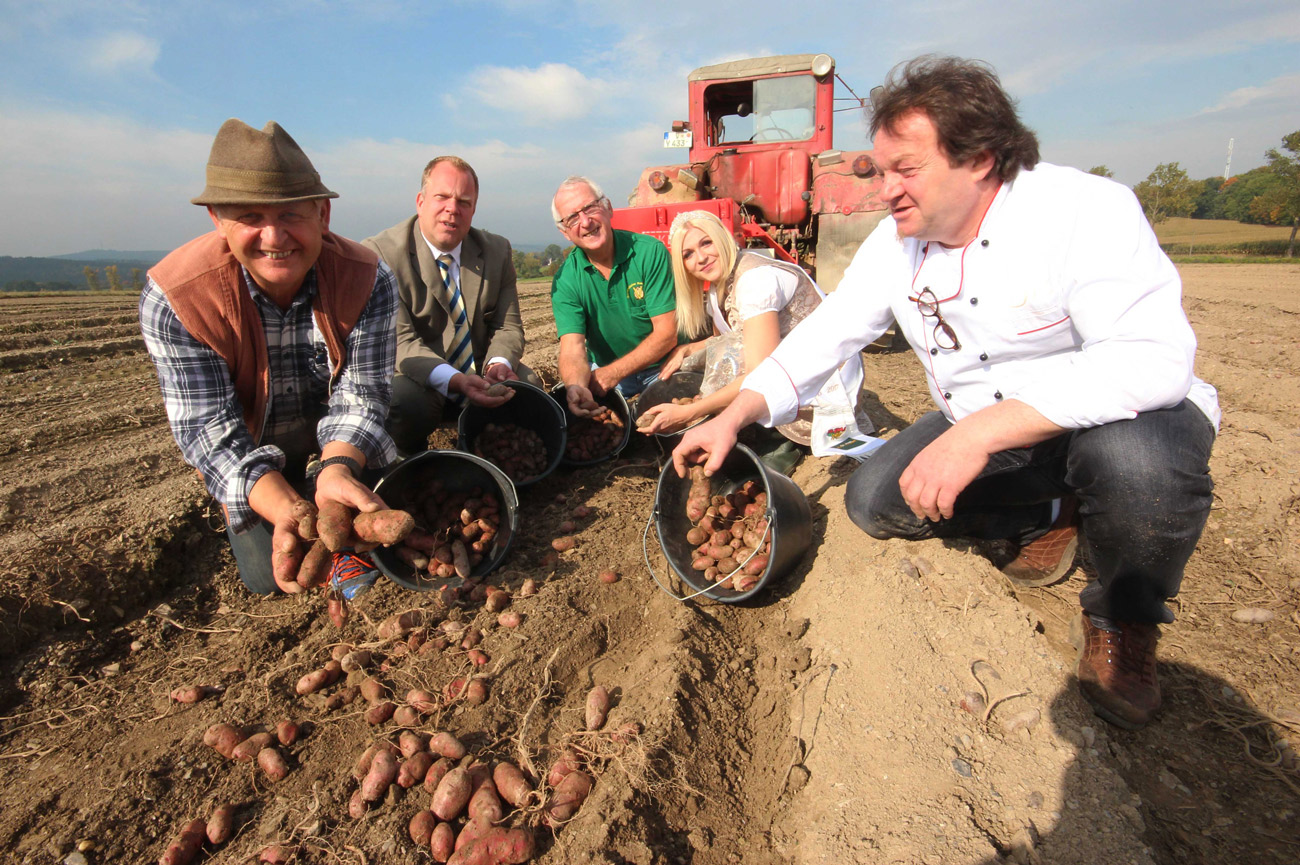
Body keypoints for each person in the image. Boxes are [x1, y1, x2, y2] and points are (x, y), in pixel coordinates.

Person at [674, 56, 1219, 731]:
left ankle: (1123, 619)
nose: (884, 191)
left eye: (907, 170)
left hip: (1114, 419)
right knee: (874, 502)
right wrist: (738, 413)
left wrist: (982, 434)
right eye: (880, 171)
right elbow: (829, 335)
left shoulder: (1082, 211)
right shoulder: (893, 246)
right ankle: (1044, 515)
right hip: (982, 422)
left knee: (1139, 469)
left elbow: (1152, 360)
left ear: (981, 159)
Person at [140, 118, 399, 597]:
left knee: (378, 507)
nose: (274, 236)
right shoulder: (177, 298)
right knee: (266, 579)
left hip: (332, 435)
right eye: (250, 217)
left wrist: (336, 471)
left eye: (292, 216)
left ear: (323, 215)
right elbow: (208, 430)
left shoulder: (367, 277)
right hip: (251, 442)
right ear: (218, 219)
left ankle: (340, 481)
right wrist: (287, 509)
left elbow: (361, 392)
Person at [638, 210, 874, 458]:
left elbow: (760, 376)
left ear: (722, 237)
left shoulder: (755, 280)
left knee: (729, 365)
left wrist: (691, 411)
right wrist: (688, 348)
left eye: (706, 243)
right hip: (782, 368)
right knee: (708, 358)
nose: (700, 257)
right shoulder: (718, 286)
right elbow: (731, 338)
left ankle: (783, 443)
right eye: (688, 254)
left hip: (824, 381)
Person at [363, 156, 539, 453]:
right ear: (420, 201)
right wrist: (455, 380)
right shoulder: (380, 254)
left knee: (529, 386)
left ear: (473, 210)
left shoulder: (497, 251)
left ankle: (494, 452)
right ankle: (406, 459)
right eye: (442, 197)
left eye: (464, 201)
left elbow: (507, 326)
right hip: (419, 376)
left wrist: (498, 364)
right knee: (403, 401)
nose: (452, 209)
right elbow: (401, 341)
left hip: (480, 373)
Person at [550, 176, 677, 416]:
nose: (585, 222)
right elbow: (572, 347)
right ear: (565, 232)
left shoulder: (648, 252)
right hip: (610, 374)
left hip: (662, 368)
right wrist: (576, 386)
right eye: (572, 218)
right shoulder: (566, 280)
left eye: (590, 208)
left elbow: (667, 334)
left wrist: (613, 373)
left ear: (607, 207)